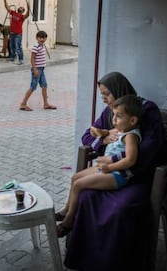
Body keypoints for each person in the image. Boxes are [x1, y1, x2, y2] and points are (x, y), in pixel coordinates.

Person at [64, 71, 165, 271]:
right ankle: (86, 261)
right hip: (112, 172)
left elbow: (150, 148)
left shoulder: (146, 110)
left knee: (120, 209)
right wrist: (103, 138)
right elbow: (87, 136)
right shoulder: (112, 111)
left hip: (137, 177)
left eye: (106, 95)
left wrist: (113, 160)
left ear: (119, 90)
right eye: (102, 96)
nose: (104, 100)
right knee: (86, 195)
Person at [56, 95, 143, 237]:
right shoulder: (122, 131)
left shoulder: (131, 136)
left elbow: (130, 160)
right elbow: (97, 133)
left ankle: (69, 221)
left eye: (118, 116)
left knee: (79, 185)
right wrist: (103, 133)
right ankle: (66, 209)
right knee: (75, 178)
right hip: (105, 168)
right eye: (114, 115)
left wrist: (110, 168)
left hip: (117, 175)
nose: (114, 120)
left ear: (132, 120)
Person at [19, 30, 57, 111]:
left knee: (44, 85)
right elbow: (32, 59)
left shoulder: (42, 46)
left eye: (44, 38)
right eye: (40, 38)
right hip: (37, 69)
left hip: (42, 70)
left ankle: (46, 104)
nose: (42, 39)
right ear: (37, 38)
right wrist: (35, 69)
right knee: (33, 87)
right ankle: (23, 104)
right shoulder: (36, 46)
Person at [4, 0, 30, 65]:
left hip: (18, 34)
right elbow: (7, 7)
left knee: (18, 47)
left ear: (23, 11)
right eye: (20, 7)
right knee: (11, 46)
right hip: (12, 33)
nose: (20, 8)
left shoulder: (22, 17)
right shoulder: (13, 13)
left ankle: (21, 59)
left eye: (21, 8)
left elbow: (28, 14)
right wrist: (5, 0)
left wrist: (28, 7)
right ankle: (12, 57)